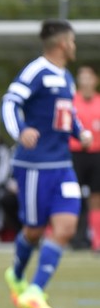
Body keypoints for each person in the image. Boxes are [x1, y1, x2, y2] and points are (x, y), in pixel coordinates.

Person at [1, 19, 92, 308]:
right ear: (64, 43)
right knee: (34, 230)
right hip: (35, 166)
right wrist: (20, 131)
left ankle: (35, 290)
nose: (75, 47)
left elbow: (65, 113)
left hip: (62, 164)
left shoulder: (65, 77)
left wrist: (79, 131)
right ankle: (16, 274)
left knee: (65, 227)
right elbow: (10, 101)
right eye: (74, 42)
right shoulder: (36, 70)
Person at [69, 65, 100, 252]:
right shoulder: (71, 102)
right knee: (73, 197)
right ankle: (73, 238)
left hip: (97, 155)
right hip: (75, 155)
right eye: (83, 77)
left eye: (89, 77)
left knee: (96, 198)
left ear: (95, 80)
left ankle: (96, 240)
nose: (86, 81)